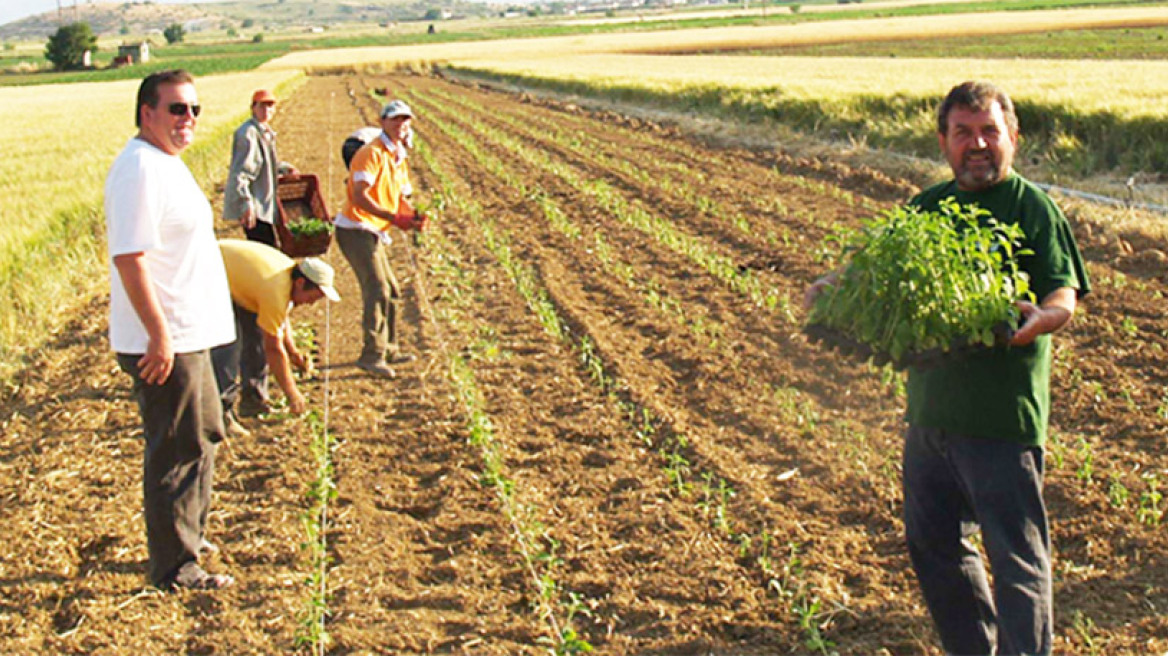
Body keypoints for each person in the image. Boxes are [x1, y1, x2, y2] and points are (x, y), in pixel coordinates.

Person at [806, 81, 1089, 655]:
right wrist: (831, 287)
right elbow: (873, 274)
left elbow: (1063, 291)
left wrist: (1045, 317)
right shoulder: (926, 207)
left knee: (1017, 559)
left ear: (1013, 136)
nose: (978, 144)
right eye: (964, 133)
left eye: (989, 131)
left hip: (1001, 419)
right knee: (934, 544)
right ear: (943, 141)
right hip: (930, 415)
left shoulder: (1030, 208)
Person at [105, 69, 236, 591]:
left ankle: (191, 536)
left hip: (190, 331)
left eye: (195, 109)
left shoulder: (166, 162)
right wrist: (158, 334)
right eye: (177, 109)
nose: (189, 119)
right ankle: (175, 567)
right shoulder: (138, 168)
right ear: (147, 113)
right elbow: (129, 257)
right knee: (175, 449)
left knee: (202, 436)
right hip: (166, 339)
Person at [334, 100, 426, 377]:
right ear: (382, 122)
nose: (401, 125)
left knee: (392, 290)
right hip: (356, 229)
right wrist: (392, 217)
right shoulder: (371, 153)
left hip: (374, 229)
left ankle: (390, 348)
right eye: (395, 120)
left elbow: (399, 197)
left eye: (405, 120)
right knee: (377, 288)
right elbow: (359, 196)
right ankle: (371, 355)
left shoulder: (397, 156)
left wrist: (412, 217)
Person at [212, 239, 340, 426]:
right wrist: (293, 394)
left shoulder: (287, 278)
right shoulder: (276, 289)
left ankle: (253, 402)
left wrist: (294, 353)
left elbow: (280, 319)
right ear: (300, 282)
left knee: (255, 337)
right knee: (227, 349)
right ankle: (221, 416)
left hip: (238, 278)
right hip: (209, 273)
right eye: (313, 297)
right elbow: (273, 348)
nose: (311, 303)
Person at [224, 89, 295, 247]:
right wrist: (246, 203)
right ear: (253, 108)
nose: (266, 110)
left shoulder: (265, 131)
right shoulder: (248, 134)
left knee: (271, 249)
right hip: (255, 204)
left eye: (270, 106)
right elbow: (241, 172)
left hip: (264, 202)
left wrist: (283, 168)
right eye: (262, 106)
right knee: (267, 250)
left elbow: (264, 163)